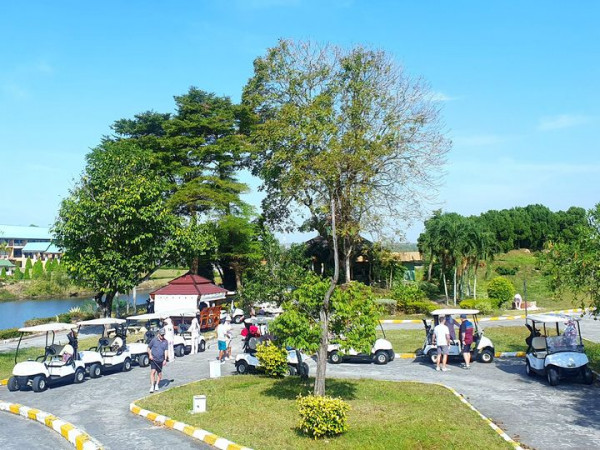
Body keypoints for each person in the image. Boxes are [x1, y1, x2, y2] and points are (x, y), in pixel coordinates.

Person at [147, 328, 168, 393]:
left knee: (159, 374)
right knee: (153, 372)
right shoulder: (154, 340)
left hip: (161, 360)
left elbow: (166, 351)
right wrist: (150, 355)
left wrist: (165, 359)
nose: (162, 336)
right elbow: (148, 348)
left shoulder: (165, 341)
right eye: (161, 335)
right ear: (158, 334)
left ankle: (157, 385)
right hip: (154, 359)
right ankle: (152, 386)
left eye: (163, 335)